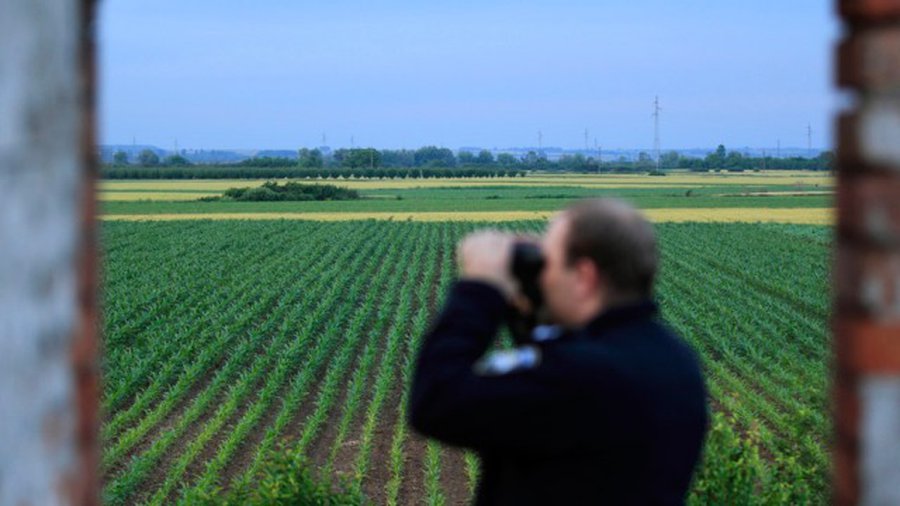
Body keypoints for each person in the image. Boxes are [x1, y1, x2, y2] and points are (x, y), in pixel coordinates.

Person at [408, 199, 708, 505]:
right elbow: (551, 399)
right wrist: (530, 313)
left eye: (547, 262)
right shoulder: (676, 360)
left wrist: (480, 289)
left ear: (584, 276)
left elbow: (437, 400)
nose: (542, 275)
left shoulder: (580, 376)